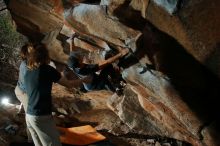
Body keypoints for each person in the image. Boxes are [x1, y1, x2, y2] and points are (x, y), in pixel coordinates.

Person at [24, 43, 91, 146]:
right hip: (41, 115)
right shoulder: (47, 70)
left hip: (29, 114)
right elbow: (68, 84)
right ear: (46, 56)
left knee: (39, 144)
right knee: (53, 143)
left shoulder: (28, 71)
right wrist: (84, 80)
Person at [14, 43, 33, 142]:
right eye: (31, 50)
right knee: (30, 115)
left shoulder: (28, 63)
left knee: (30, 113)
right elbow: (28, 84)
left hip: (21, 90)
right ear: (27, 53)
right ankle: (31, 140)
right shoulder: (26, 65)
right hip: (23, 92)